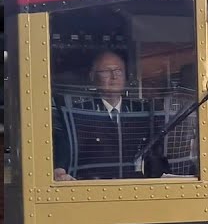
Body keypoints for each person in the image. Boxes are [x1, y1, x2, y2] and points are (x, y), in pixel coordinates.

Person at [53, 50, 156, 181]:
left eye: (119, 71)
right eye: (106, 71)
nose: (114, 77)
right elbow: (65, 144)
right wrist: (60, 169)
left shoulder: (140, 111)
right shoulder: (79, 112)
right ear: (92, 76)